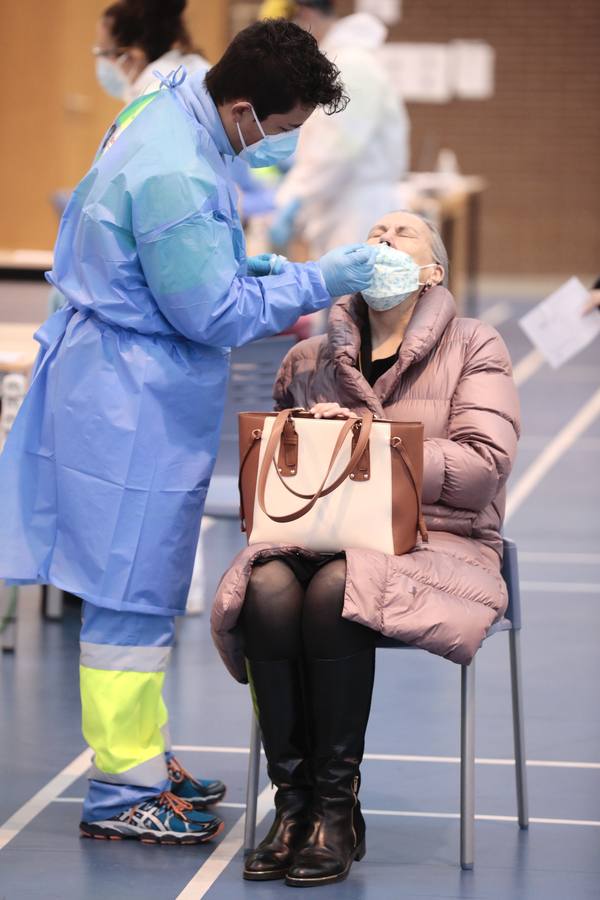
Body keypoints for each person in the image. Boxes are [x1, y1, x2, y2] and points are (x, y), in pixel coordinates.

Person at [0, 19, 377, 845]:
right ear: (242, 108)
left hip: (119, 376)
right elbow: (211, 312)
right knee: (128, 592)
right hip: (126, 399)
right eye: (279, 131)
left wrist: (242, 260)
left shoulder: (171, 105)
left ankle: (141, 754)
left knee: (134, 583)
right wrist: (317, 279)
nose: (279, 146)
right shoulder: (175, 167)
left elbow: (173, 258)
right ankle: (119, 786)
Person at [211, 210, 520, 886]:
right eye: (375, 232)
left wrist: (367, 442)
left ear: (432, 271)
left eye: (403, 233)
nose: (384, 239)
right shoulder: (308, 359)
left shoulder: (475, 345)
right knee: (263, 585)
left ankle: (334, 806)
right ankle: (291, 804)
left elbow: (481, 468)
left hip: (440, 540)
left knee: (335, 588)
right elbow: (281, 482)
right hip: (319, 533)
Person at [270, 0, 410, 258]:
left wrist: (293, 196)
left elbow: (338, 149)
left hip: (357, 212)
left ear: (305, 15)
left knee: (350, 295)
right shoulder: (343, 61)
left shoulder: (351, 66)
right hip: (343, 204)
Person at [94, 0, 210, 104]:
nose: (101, 62)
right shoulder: (196, 67)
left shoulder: (151, 92)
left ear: (133, 54)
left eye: (104, 53)